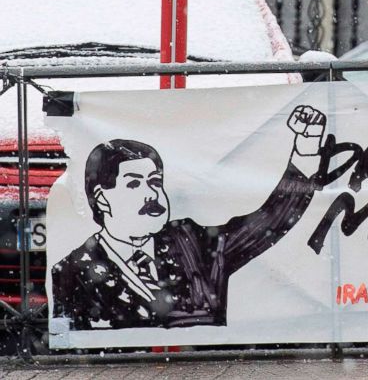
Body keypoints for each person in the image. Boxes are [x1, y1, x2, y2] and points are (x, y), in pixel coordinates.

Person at [51, 105, 327, 330]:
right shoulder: (73, 270)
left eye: (155, 181)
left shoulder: (189, 241)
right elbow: (74, 346)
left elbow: (268, 223)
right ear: (102, 198)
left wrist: (306, 148)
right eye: (134, 184)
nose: (152, 194)